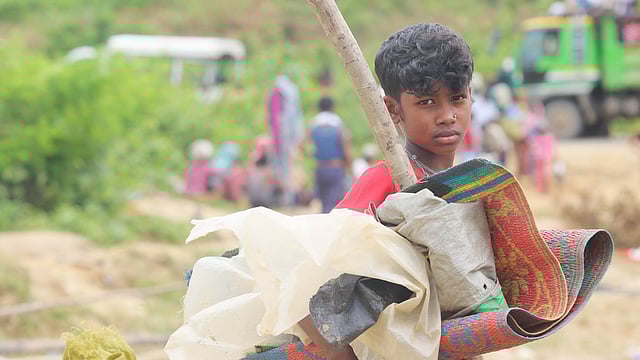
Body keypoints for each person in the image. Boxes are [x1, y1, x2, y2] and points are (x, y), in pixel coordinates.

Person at [296, 23, 476, 359]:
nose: (447, 115)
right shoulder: (386, 181)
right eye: (426, 102)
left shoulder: (469, 184)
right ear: (393, 110)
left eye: (457, 98)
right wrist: (340, 354)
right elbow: (314, 274)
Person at [266, 73, 305, 206]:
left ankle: (287, 199)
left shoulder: (278, 93)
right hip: (291, 137)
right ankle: (289, 198)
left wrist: (276, 140)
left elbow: (275, 119)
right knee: (289, 167)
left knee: (283, 168)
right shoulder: (292, 94)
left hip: (282, 136)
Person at [309, 96, 352, 213]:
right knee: (333, 202)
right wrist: (348, 163)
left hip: (320, 167)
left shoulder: (314, 123)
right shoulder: (337, 122)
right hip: (335, 167)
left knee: (323, 202)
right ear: (332, 107)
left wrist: (312, 155)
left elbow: (303, 143)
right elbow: (345, 144)